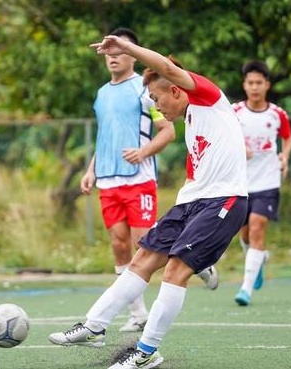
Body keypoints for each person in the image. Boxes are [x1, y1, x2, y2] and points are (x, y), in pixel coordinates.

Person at [49, 35, 248, 368]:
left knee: (174, 270)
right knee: (142, 259)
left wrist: (127, 49)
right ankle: (94, 325)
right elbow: (196, 174)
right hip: (192, 202)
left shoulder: (209, 98)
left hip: (224, 201)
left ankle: (145, 352)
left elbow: (167, 67)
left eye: (157, 99)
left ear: (175, 90)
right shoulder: (191, 123)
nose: (157, 106)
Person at [83, 27, 179, 332]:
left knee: (144, 244)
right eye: (109, 52)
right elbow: (104, 137)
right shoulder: (100, 94)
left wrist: (143, 151)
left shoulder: (145, 89)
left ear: (133, 55)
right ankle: (138, 313)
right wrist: (90, 170)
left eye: (120, 51)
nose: (113, 57)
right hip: (108, 181)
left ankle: (191, 254)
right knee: (119, 244)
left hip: (138, 180)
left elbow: (168, 131)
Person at [232, 60, 291, 307]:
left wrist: (285, 156)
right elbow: (223, 137)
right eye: (250, 83)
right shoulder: (234, 112)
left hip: (268, 179)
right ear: (244, 85)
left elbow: (287, 139)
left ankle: (245, 288)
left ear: (267, 85)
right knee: (245, 233)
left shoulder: (277, 114)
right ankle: (256, 263)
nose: (255, 87)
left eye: (259, 83)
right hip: (240, 181)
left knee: (257, 227)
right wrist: (239, 147)